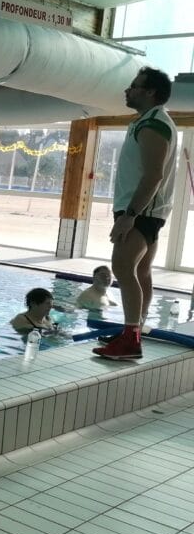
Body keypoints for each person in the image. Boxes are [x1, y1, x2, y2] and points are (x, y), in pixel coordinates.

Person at [95, 67, 176, 360]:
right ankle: (134, 331)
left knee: (122, 267)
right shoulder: (148, 121)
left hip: (141, 210)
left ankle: (130, 340)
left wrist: (130, 214)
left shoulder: (153, 123)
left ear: (150, 92)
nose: (127, 91)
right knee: (141, 272)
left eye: (134, 86)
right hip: (147, 209)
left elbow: (153, 175)